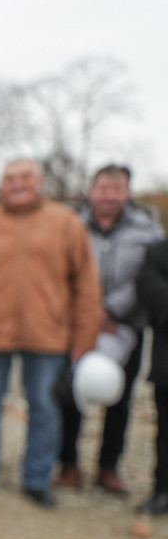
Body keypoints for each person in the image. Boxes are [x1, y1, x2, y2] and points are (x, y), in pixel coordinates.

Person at [0, 159, 102, 508]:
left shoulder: (65, 222)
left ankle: (36, 478)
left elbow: (86, 284)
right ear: (0, 185)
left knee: (44, 406)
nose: (17, 184)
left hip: (48, 333)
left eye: (25, 178)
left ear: (39, 181)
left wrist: (84, 337)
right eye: (10, 179)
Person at [56, 165, 165, 496]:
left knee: (119, 398)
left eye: (117, 189)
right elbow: (60, 269)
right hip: (78, 324)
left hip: (126, 326)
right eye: (103, 188)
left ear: (127, 192)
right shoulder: (70, 223)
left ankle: (108, 466)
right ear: (92, 190)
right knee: (71, 394)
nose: (109, 195)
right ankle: (69, 465)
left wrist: (111, 309)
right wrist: (88, 311)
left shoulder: (148, 230)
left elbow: (148, 275)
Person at [135, 238, 168, 515]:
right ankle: (163, 491)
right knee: (165, 434)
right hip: (166, 365)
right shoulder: (159, 251)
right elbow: (151, 292)